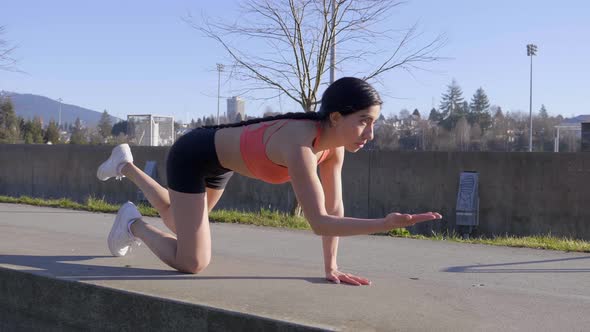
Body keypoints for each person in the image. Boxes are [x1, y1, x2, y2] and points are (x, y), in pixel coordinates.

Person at [97, 77, 442, 286]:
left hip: (220, 161)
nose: (371, 133)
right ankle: (134, 224)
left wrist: (331, 266)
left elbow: (333, 208)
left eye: (374, 123)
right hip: (193, 153)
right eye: (364, 121)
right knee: (193, 261)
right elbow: (320, 222)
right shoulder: (301, 145)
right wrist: (385, 223)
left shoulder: (334, 146)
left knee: (175, 219)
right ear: (336, 117)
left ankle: (125, 165)